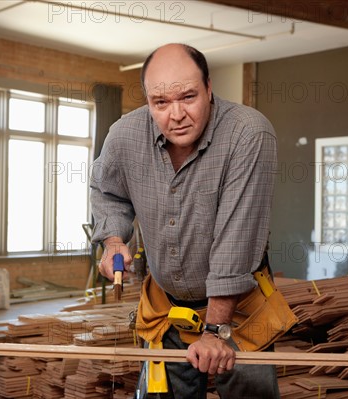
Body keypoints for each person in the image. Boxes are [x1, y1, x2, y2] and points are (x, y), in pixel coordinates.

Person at [90, 43, 280, 398]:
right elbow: (107, 191)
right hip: (167, 306)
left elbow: (235, 241)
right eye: (160, 103)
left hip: (239, 311)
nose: (176, 114)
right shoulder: (125, 136)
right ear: (147, 100)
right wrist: (114, 239)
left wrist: (217, 331)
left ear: (209, 87)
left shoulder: (248, 134)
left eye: (188, 97)